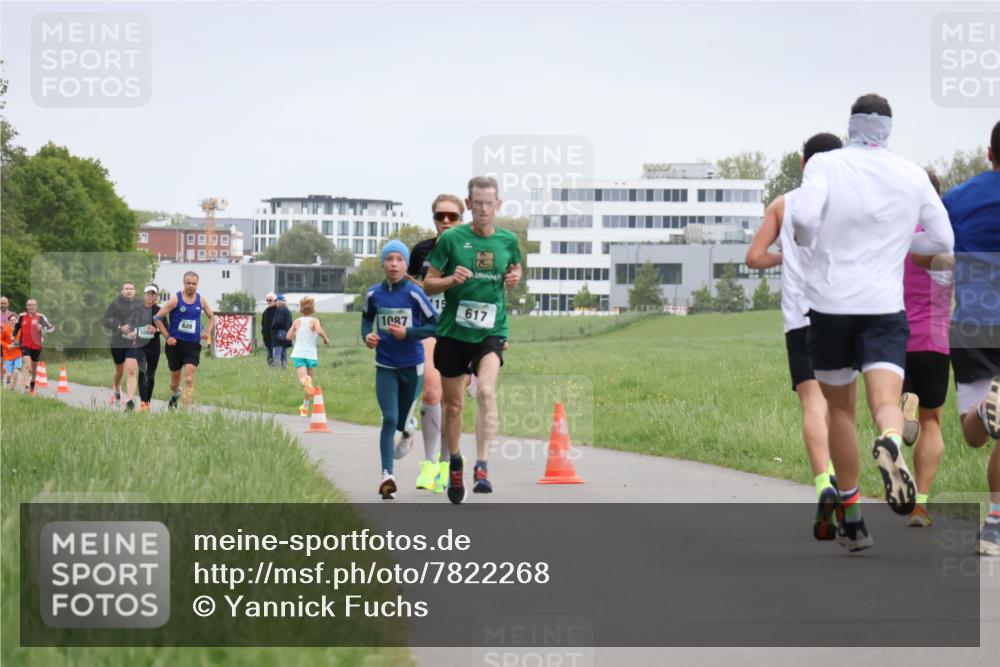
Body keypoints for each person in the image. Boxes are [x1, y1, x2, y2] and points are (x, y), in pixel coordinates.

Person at [791, 94, 954, 551]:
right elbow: (943, 239)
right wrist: (904, 241)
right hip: (884, 306)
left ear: (850, 124)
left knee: (840, 411)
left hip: (831, 305)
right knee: (887, 404)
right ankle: (889, 440)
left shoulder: (825, 164)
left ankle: (856, 520)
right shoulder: (912, 174)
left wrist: (810, 238)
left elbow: (804, 217)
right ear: (888, 129)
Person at [745, 132, 843, 540]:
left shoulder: (783, 204)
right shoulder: (848, 206)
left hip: (799, 320)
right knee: (843, 409)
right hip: (841, 313)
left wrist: (786, 254)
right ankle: (851, 498)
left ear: (804, 165)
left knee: (812, 405)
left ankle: (824, 482)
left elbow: (753, 258)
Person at [423, 176, 522, 504]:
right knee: (453, 406)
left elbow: (515, 269)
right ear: (469, 204)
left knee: (487, 390)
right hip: (453, 333)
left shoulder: (508, 241)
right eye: (476, 203)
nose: (482, 209)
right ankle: (455, 461)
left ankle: (482, 465)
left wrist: (514, 276)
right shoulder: (452, 240)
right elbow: (428, 284)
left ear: (498, 205)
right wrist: (452, 279)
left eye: (488, 204)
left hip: (491, 332)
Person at [936, 119, 1000, 556]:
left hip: (972, 323)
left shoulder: (957, 198)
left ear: (989, 152)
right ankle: (995, 524)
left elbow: (928, 252)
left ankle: (986, 408)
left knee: (974, 434)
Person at [362, 240, 439, 499]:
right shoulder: (374, 294)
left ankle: (409, 428)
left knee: (402, 420)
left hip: (413, 367)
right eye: (389, 259)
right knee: (389, 419)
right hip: (385, 365)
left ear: (406, 265)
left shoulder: (415, 293)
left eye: (399, 259)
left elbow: (435, 325)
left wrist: (409, 333)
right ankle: (387, 475)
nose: (394, 264)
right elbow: (366, 319)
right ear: (383, 263)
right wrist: (368, 337)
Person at [899, 170, 954, 528]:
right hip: (934, 340)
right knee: (934, 422)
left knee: (893, 406)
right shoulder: (945, 243)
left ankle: (905, 406)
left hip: (896, 338)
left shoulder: (897, 239)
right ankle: (920, 505)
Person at [407, 193, 464, 492]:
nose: (445, 221)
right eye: (440, 216)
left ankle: (445, 464)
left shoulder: (473, 250)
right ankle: (429, 467)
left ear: (461, 220)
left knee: (452, 402)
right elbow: (411, 289)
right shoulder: (422, 251)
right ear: (434, 219)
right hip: (430, 327)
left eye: (452, 216)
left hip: (463, 330)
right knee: (431, 390)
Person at [153, 271, 215, 409]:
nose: (191, 286)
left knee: (189, 378)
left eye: (194, 283)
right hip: (175, 345)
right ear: (184, 283)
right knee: (174, 382)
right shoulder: (176, 299)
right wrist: (167, 337)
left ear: (197, 284)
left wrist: (207, 332)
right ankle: (175, 394)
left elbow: (212, 317)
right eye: (188, 283)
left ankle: (186, 408)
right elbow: (157, 318)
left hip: (192, 345)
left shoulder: (201, 300)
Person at [287, 296, 330, 417]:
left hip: (299, 354)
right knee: (309, 381)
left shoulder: (297, 321)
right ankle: (305, 408)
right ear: (313, 309)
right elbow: (319, 330)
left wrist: (298, 334)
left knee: (304, 381)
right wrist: (326, 339)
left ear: (301, 309)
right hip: (311, 355)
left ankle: (305, 406)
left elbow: (288, 337)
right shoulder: (314, 321)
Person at [102, 282, 138, 406]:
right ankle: (117, 388)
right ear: (122, 291)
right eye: (126, 288)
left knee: (132, 370)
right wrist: (119, 327)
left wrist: (138, 331)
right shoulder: (115, 304)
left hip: (133, 342)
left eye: (131, 289)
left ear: (135, 291)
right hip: (117, 342)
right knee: (120, 372)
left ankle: (130, 400)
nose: (129, 291)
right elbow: (104, 321)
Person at [12, 299, 55, 395]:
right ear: (26, 306)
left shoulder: (41, 317)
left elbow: (51, 328)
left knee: (34, 369)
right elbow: (16, 327)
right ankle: (27, 386)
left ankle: (32, 383)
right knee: (26, 363)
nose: (31, 307)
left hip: (36, 346)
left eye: (33, 305)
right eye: (29, 305)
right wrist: (13, 336)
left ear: (36, 306)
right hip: (25, 344)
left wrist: (42, 328)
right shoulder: (22, 316)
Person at [136, 285, 163, 411]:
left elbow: (165, 328)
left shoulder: (159, 310)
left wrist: (156, 329)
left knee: (150, 374)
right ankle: (142, 402)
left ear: (156, 297)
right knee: (142, 371)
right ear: (144, 295)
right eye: (148, 294)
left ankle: (148, 402)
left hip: (154, 347)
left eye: (153, 294)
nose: (150, 296)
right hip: (140, 346)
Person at [270, 295, 292, 369]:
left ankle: (276, 369)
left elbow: (279, 320)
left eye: (276, 301)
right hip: (285, 334)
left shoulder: (280, 309)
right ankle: (284, 368)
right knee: (283, 353)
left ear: (279, 301)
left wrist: (273, 325)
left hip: (278, 335)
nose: (275, 303)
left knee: (277, 353)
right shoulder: (287, 309)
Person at [1, 317, 22, 390]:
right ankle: (7, 377)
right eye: (11, 320)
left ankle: (12, 388)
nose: (13, 321)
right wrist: (7, 345)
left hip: (18, 354)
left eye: (14, 320)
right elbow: (0, 340)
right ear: (9, 321)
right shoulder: (6, 330)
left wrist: (19, 344)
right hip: (8, 355)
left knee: (16, 372)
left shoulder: (21, 330)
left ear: (17, 321)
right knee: (9, 375)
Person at [261, 292, 277, 366]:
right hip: (267, 337)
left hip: (276, 337)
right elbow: (263, 323)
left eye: (270, 300)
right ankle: (271, 368)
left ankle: (278, 368)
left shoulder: (278, 310)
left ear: (274, 300)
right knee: (269, 354)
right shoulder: (266, 311)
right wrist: (263, 332)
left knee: (276, 354)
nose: (268, 302)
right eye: (267, 300)